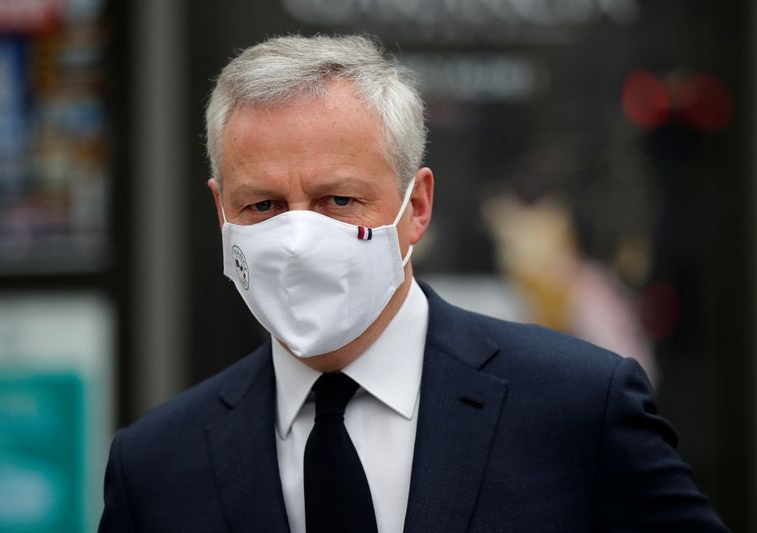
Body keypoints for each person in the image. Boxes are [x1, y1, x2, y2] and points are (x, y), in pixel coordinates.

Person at [99, 34, 728, 532]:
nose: (296, 238)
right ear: (221, 213)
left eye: (338, 199)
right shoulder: (156, 465)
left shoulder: (579, 406)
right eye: (262, 206)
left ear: (417, 206)